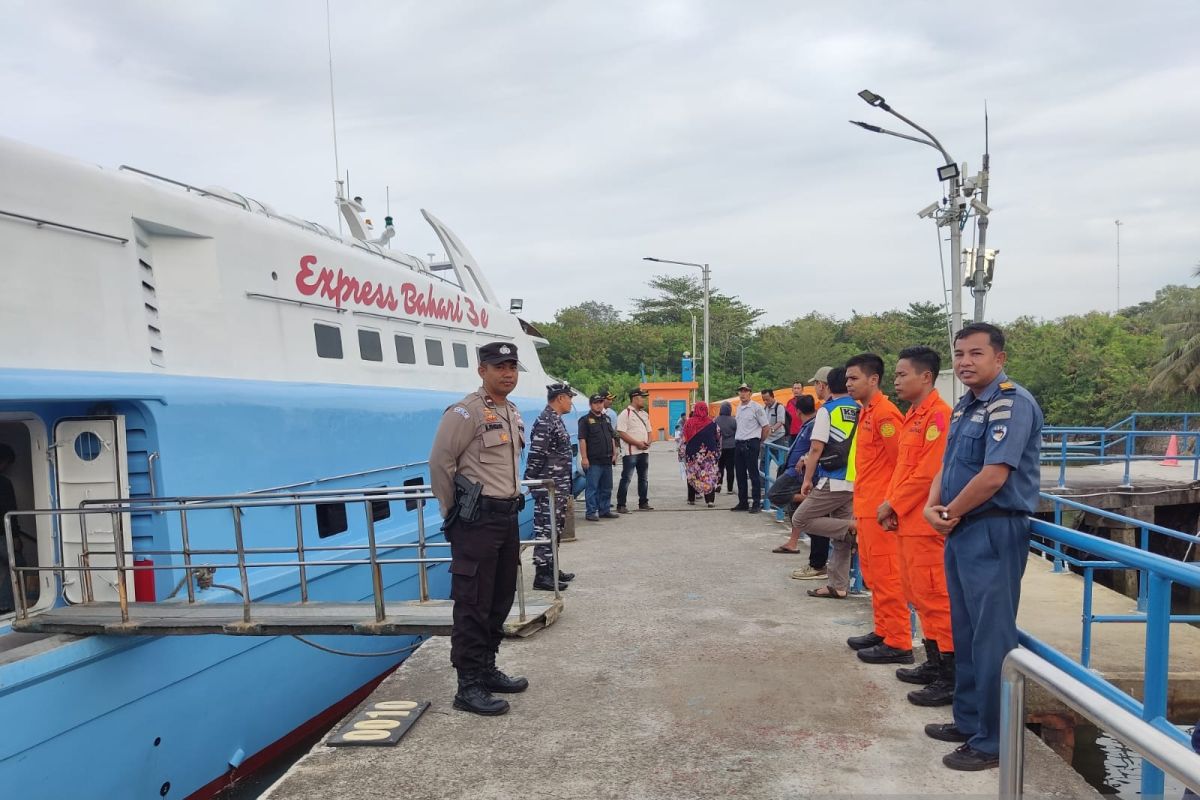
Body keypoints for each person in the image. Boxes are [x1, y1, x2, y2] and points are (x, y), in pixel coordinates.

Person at [922, 323, 1043, 771]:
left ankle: (993, 741)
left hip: (993, 529)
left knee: (992, 637)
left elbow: (995, 475)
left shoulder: (1010, 403)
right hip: (961, 529)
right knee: (967, 631)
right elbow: (948, 463)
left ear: (999, 358)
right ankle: (969, 721)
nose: (965, 362)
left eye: (976, 353)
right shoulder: (964, 407)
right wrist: (934, 505)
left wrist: (948, 513)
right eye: (958, 354)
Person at [429, 341, 530, 716]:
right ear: (481, 370)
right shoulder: (465, 412)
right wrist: (452, 511)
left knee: (500, 597)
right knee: (472, 601)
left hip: (506, 517)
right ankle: (467, 685)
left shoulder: (511, 411)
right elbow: (440, 463)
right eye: (498, 366)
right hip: (476, 519)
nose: (507, 373)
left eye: (512, 366)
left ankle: (487, 669)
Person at [879, 346, 955, 706]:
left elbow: (927, 474)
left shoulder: (939, 417)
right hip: (906, 524)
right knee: (918, 595)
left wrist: (893, 503)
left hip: (925, 526)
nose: (896, 381)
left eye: (901, 374)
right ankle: (933, 660)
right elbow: (901, 470)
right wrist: (892, 506)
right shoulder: (913, 417)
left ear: (926, 377)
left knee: (936, 598)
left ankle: (950, 676)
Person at [843, 353, 911, 665]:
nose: (848, 384)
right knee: (872, 573)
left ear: (873, 380)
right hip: (866, 506)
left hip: (881, 510)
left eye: (854, 378)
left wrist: (893, 504)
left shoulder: (885, 415)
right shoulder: (867, 412)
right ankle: (883, 631)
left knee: (887, 575)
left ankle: (898, 641)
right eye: (847, 379)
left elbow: (903, 462)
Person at [789, 367, 856, 597]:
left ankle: (853, 529)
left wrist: (807, 480)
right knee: (841, 539)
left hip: (833, 479)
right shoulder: (861, 408)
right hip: (855, 480)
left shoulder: (827, 411)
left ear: (824, 385)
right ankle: (838, 586)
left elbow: (816, 448)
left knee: (801, 518)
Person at [525, 382, 577, 592]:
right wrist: (532, 480)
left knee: (554, 528)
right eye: (569, 397)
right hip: (548, 486)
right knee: (545, 529)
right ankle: (542, 574)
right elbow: (537, 454)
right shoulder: (546, 421)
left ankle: (552, 569)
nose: (571, 402)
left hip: (558, 485)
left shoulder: (555, 420)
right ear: (560, 398)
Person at [770, 395, 817, 554]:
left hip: (797, 473)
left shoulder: (814, 425)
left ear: (797, 411)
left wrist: (804, 458)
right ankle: (793, 542)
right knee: (795, 509)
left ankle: (813, 499)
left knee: (775, 494)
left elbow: (818, 446)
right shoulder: (809, 424)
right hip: (794, 470)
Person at [0, 443, 33, 615]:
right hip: (2, 535)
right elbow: (9, 510)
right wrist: (15, 535)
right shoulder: (4, 483)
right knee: (19, 564)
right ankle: (5, 604)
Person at [730, 384, 770, 514]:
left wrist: (759, 441)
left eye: (745, 391)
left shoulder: (756, 408)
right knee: (740, 474)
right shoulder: (739, 408)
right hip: (739, 443)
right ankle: (743, 502)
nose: (742, 394)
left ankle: (756, 503)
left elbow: (765, 427)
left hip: (751, 443)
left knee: (753, 474)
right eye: (741, 391)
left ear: (750, 393)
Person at [579, 393, 618, 522]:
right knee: (592, 488)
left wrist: (614, 452)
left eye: (600, 402)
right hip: (593, 461)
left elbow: (611, 436)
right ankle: (591, 512)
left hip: (607, 459)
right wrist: (584, 458)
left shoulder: (606, 419)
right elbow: (582, 440)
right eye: (596, 403)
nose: (599, 405)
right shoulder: (585, 420)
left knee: (607, 487)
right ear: (590, 405)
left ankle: (604, 510)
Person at [616, 388, 654, 513]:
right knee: (626, 478)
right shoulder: (625, 414)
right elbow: (621, 432)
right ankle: (621, 504)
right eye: (642, 397)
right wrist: (637, 443)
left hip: (644, 452)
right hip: (631, 452)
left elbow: (649, 431)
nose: (644, 400)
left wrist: (648, 441)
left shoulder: (644, 414)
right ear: (634, 398)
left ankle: (643, 502)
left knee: (644, 478)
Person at [682, 402, 721, 507]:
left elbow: (684, 439)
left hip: (692, 455)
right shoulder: (712, 422)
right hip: (709, 454)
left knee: (693, 475)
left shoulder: (688, 422)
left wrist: (681, 453)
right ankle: (710, 501)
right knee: (708, 476)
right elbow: (718, 436)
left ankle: (691, 499)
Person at [760, 388, 790, 475]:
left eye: (767, 399)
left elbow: (780, 422)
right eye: (764, 400)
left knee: (781, 462)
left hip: (778, 438)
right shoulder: (764, 408)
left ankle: (780, 481)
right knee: (763, 461)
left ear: (772, 397)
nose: (765, 401)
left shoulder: (779, 407)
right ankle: (762, 485)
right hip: (767, 439)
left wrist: (771, 430)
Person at [715, 401, 737, 493]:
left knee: (720, 467)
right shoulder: (733, 420)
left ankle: (719, 484)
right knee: (730, 468)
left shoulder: (716, 420)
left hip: (720, 447)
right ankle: (730, 488)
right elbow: (737, 432)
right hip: (731, 446)